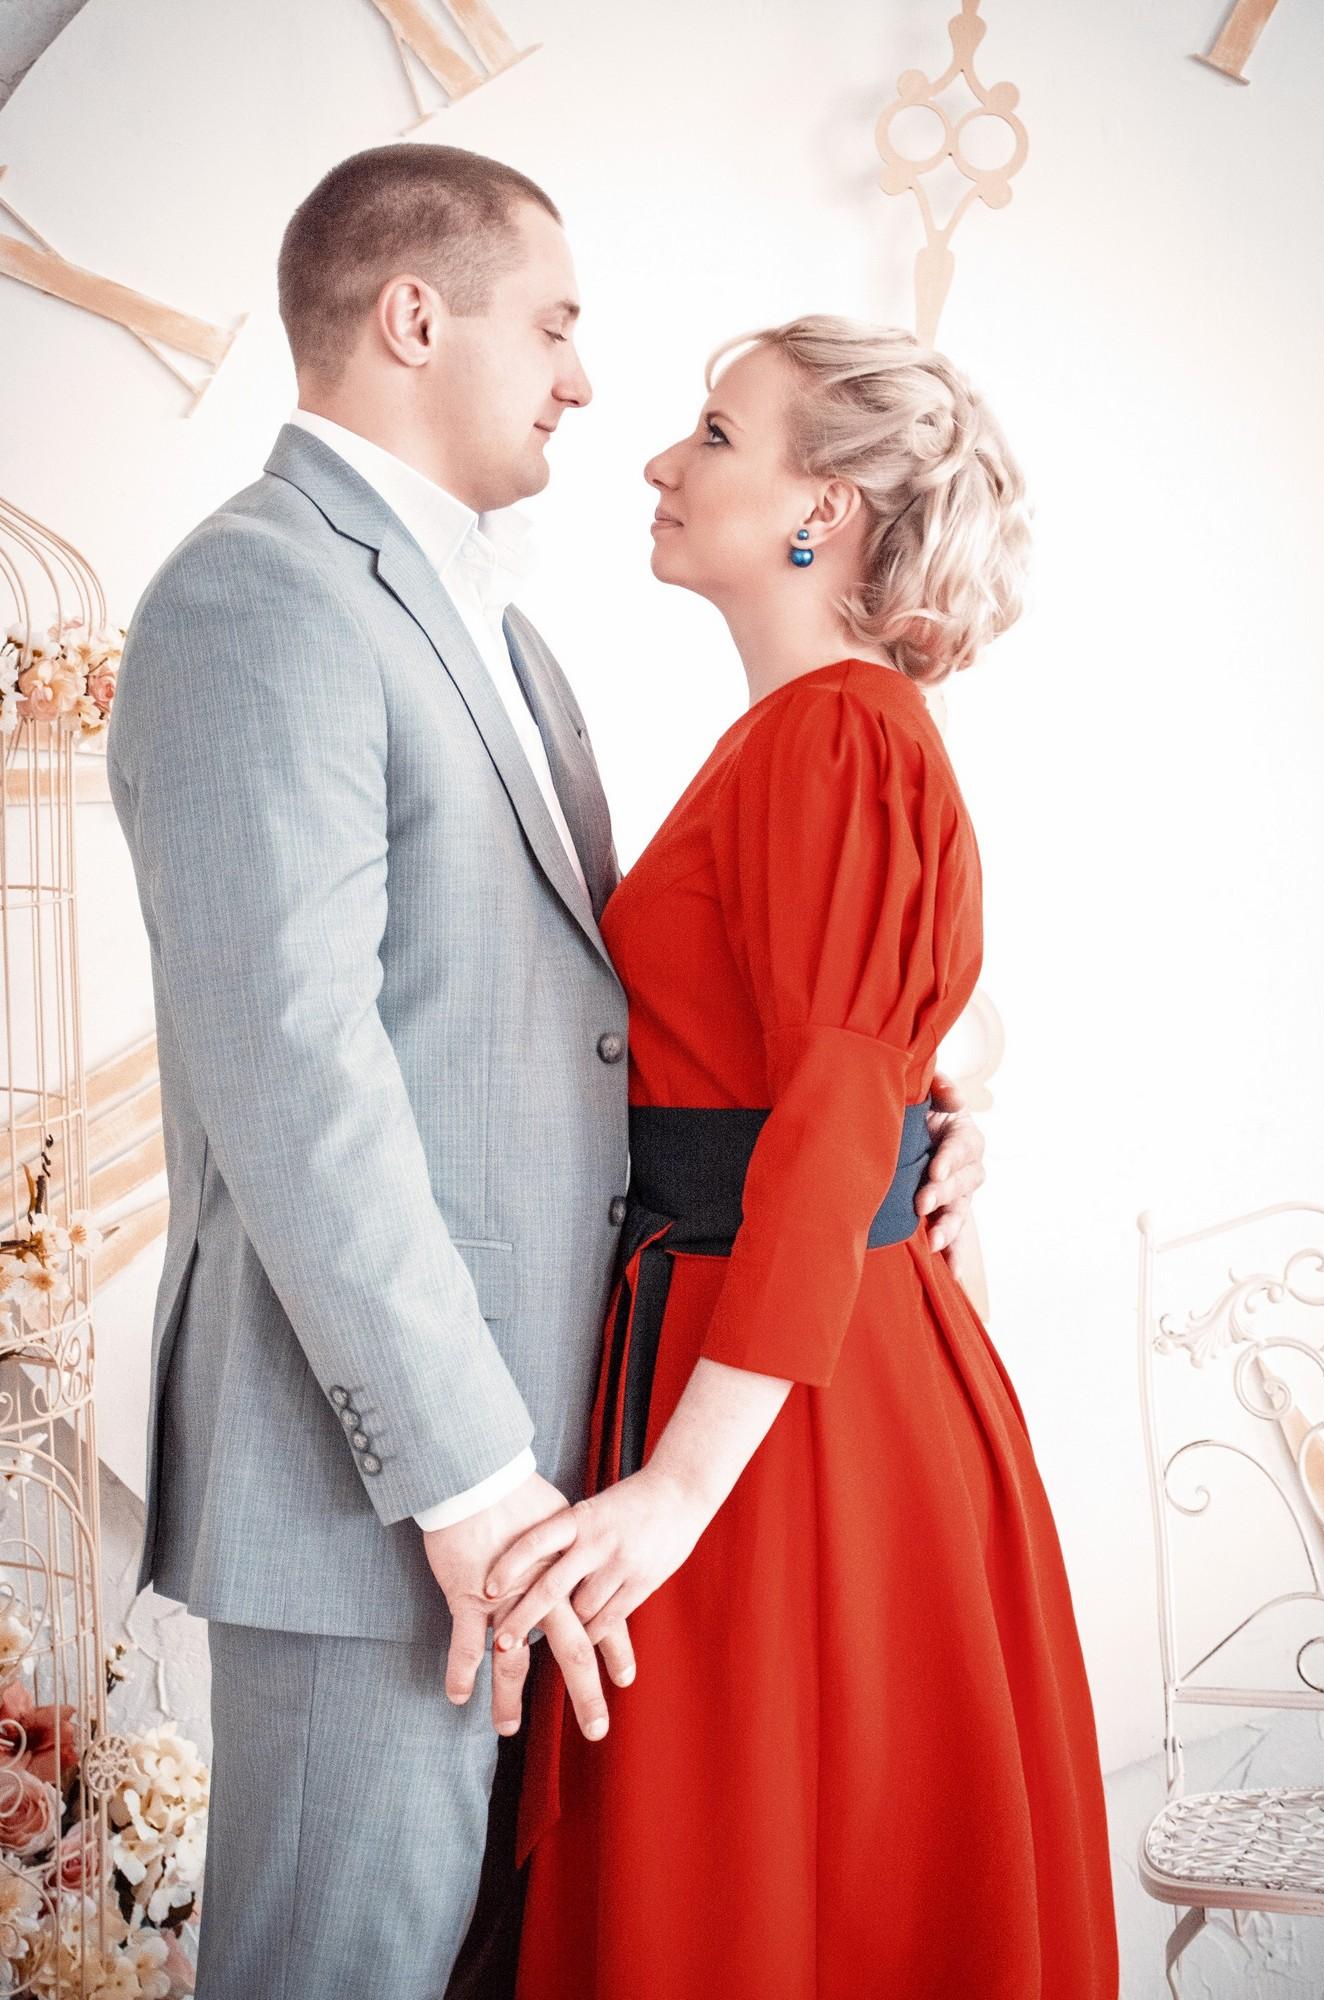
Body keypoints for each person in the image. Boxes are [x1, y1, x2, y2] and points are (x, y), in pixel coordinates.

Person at [105, 146, 982, 1999]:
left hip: (571, 1468)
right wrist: (468, 1478)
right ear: (416, 317)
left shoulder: (510, 642)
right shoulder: (261, 596)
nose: (590, 388)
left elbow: (625, 1032)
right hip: (392, 1492)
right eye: (558, 326)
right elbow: (296, 1079)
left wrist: (907, 1136)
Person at [481, 318, 1120, 1998]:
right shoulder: (814, 737)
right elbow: (869, 1044)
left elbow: (834, 1114)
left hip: (775, 1395)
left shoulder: (838, 735)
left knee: (763, 1877)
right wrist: (949, 1101)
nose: (657, 459)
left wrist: (678, 1491)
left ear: (819, 509)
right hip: (762, 1351)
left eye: (712, 432)